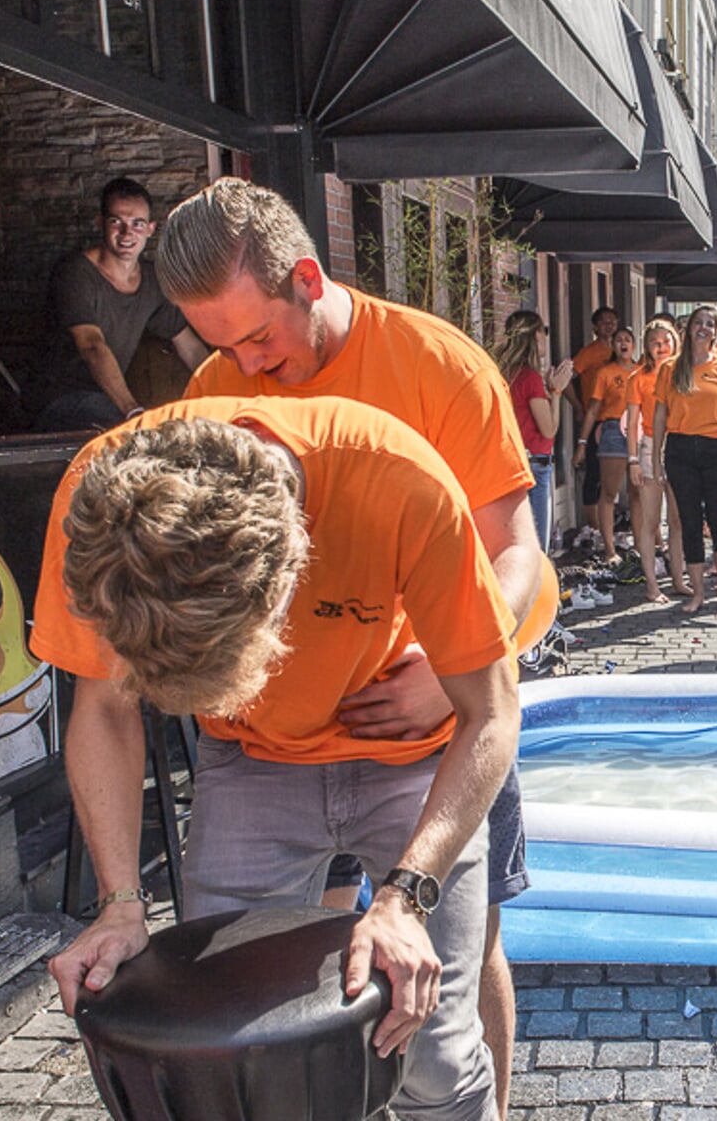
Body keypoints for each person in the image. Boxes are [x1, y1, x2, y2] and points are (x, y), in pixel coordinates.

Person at [164, 177, 541, 1114]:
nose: (246, 365)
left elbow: (518, 557)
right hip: (271, 747)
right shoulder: (215, 391)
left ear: (305, 276)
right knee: (305, 973)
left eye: (259, 337)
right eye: (221, 346)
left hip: (428, 735)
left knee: (461, 958)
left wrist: (452, 688)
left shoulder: (437, 365)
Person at [40, 398, 522, 1121]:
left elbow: (490, 713)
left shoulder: (400, 481)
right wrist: (119, 904)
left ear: (288, 583)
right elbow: (104, 707)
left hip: (410, 757)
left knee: (432, 1052)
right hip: (250, 761)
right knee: (230, 1047)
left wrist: (404, 898)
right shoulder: (98, 504)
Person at [30, 177, 209, 432]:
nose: (127, 233)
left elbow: (189, 347)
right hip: (58, 400)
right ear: (100, 223)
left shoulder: (152, 279)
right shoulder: (75, 273)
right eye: (117, 222)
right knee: (135, 435)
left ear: (150, 229)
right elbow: (92, 345)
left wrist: (223, 394)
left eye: (137, 224)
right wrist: (132, 411)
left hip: (107, 400)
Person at [651, 305, 717, 614]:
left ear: (716, 332)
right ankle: (697, 594)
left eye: (709, 324)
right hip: (680, 449)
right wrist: (655, 456)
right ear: (689, 329)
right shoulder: (670, 368)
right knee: (689, 522)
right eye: (698, 323)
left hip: (716, 448)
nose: (703, 328)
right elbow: (659, 415)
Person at [499, 312, 574, 550]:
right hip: (535, 463)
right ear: (535, 335)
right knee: (538, 546)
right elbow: (549, 429)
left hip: (513, 461)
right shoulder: (529, 378)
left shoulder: (505, 373)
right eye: (544, 331)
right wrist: (557, 392)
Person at [628, 321, 687, 603]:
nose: (662, 346)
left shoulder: (683, 375)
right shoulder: (638, 378)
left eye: (666, 340)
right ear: (647, 346)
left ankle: (678, 578)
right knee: (650, 520)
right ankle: (652, 584)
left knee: (677, 519)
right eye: (655, 341)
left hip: (678, 445)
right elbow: (633, 420)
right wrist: (632, 461)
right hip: (650, 445)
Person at [576, 326, 637, 567]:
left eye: (628, 339)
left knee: (638, 492)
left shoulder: (642, 371)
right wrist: (582, 442)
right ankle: (609, 547)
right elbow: (593, 409)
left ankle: (652, 543)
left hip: (640, 431)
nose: (623, 343)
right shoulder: (605, 373)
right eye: (619, 340)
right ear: (613, 345)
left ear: (634, 344)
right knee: (609, 492)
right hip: (612, 430)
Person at [568, 307, 620, 551]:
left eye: (612, 322)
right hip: (595, 419)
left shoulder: (619, 351)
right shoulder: (589, 353)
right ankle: (594, 526)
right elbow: (567, 377)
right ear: (595, 326)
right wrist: (578, 405)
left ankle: (607, 526)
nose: (609, 326)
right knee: (594, 475)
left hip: (618, 423)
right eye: (604, 322)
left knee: (611, 480)